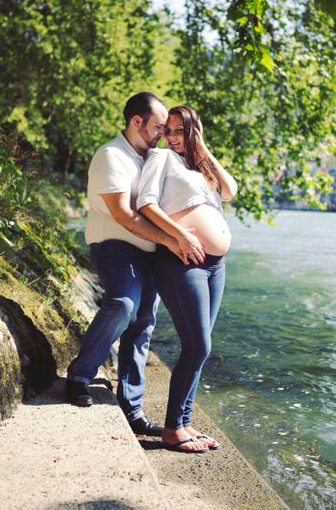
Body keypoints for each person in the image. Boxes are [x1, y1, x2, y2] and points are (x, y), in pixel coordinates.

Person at [65, 93, 205, 437]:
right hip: (115, 244)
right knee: (124, 305)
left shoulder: (154, 158)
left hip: (150, 252)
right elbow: (124, 216)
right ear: (136, 122)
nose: (163, 133)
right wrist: (174, 240)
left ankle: (132, 409)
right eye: (158, 126)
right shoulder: (111, 156)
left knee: (144, 322)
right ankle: (80, 375)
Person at [136, 105, 237, 453]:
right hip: (182, 260)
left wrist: (202, 147)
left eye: (182, 130)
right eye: (170, 130)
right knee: (199, 345)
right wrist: (181, 235)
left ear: (194, 131)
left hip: (215, 265)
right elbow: (146, 204)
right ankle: (171, 429)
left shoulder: (201, 166)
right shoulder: (161, 159)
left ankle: (184, 423)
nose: (174, 137)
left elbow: (230, 191)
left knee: (200, 348)